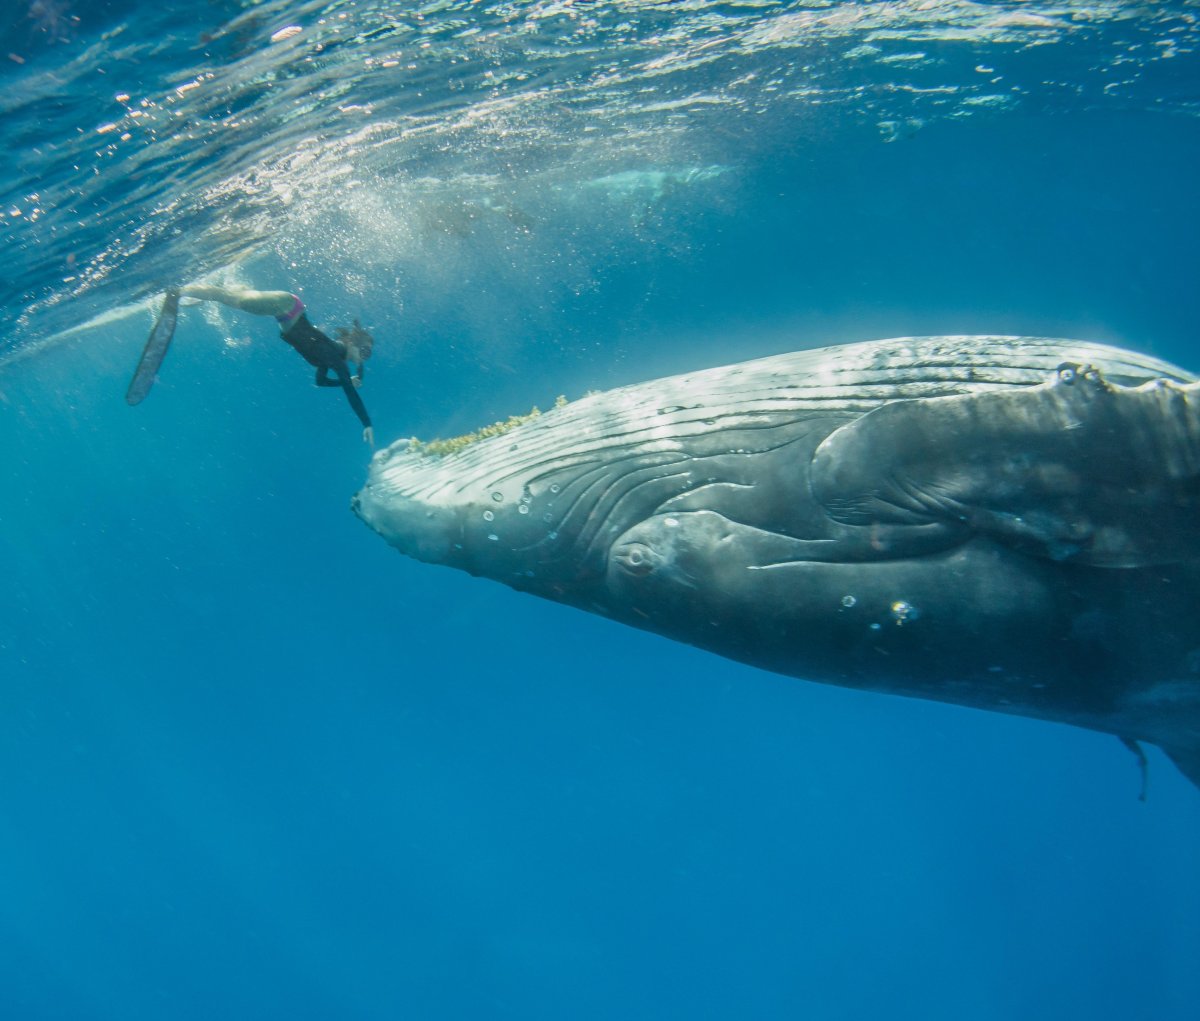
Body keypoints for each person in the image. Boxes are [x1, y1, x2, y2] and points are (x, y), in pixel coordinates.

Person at [178, 284, 375, 445]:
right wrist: (366, 423)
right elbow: (351, 393)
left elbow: (320, 381)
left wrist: (346, 380)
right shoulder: (335, 356)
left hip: (287, 308)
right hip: (286, 306)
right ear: (353, 343)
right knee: (232, 300)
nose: (364, 358)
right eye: (364, 352)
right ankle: (181, 288)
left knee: (236, 298)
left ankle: (223, 288)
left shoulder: (333, 357)